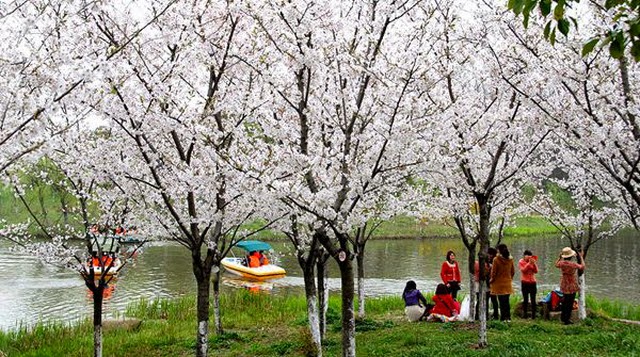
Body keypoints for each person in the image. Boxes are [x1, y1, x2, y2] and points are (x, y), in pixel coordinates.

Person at [555, 246, 585, 325]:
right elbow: (582, 266)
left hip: (564, 282)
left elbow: (556, 264)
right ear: (571, 256)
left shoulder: (561, 263)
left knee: (565, 301)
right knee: (570, 302)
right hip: (571, 283)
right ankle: (567, 319)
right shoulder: (573, 264)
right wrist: (581, 257)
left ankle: (563, 317)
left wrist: (559, 257)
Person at [490, 244, 515, 321]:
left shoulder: (496, 260)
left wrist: (491, 280)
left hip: (498, 284)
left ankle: (503, 318)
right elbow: (513, 271)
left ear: (499, 250)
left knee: (501, 302)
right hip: (507, 284)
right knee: (506, 301)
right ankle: (508, 318)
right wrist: (509, 279)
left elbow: (493, 273)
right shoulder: (510, 259)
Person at [519, 250, 539, 319]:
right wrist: (529, 264)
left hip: (533, 282)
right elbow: (523, 270)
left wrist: (534, 263)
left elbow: (536, 271)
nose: (529, 257)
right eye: (528, 256)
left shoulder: (532, 261)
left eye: (530, 256)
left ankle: (534, 316)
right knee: (525, 299)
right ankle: (525, 315)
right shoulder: (521, 261)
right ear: (524, 256)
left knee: (533, 299)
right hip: (525, 282)